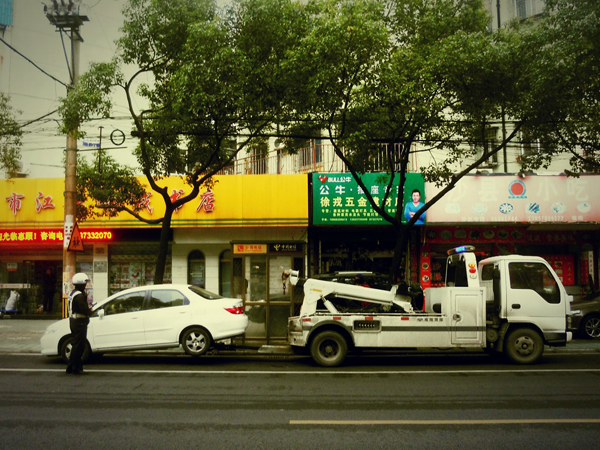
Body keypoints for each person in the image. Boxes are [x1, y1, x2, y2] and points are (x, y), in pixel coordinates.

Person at [66, 273, 91, 375]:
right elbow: (84, 310)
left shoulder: (73, 293)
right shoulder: (79, 296)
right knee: (79, 346)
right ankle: (72, 367)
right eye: (85, 283)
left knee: (77, 344)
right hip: (79, 322)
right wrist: (90, 311)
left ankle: (77, 366)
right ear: (81, 284)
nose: (86, 285)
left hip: (74, 321)